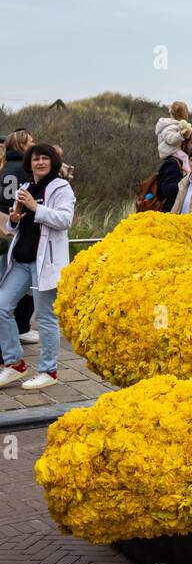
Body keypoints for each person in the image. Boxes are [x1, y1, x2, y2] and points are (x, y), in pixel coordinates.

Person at [0, 142, 76, 389]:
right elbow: (15, 227)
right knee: (2, 307)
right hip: (22, 260)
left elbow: (65, 220)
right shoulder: (24, 187)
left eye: (45, 158)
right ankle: (14, 363)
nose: (40, 162)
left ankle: (48, 371)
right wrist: (14, 220)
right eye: (35, 159)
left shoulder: (61, 187)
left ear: (52, 162)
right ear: (29, 163)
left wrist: (36, 207)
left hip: (46, 262)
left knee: (45, 317)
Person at [0, 129, 36, 346]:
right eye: (31, 142)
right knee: (19, 283)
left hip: (4, 226)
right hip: (15, 228)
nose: (34, 144)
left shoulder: (4, 167)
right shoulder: (25, 169)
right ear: (22, 145)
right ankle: (22, 327)